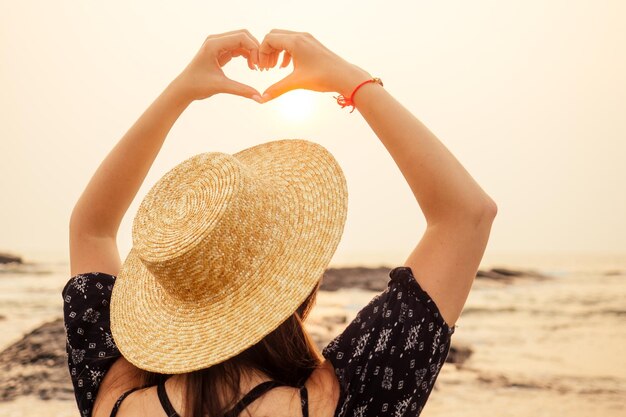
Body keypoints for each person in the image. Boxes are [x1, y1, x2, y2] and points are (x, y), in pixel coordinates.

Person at [65, 28, 497, 417]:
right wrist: (351, 80)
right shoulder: (340, 402)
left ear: (167, 298)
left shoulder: (112, 399)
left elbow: (91, 229)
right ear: (294, 279)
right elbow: (465, 216)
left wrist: (180, 91)